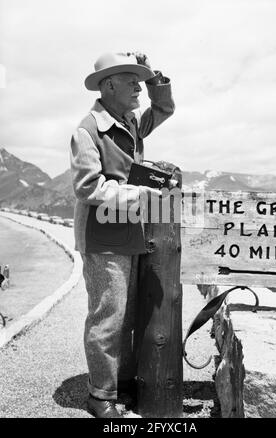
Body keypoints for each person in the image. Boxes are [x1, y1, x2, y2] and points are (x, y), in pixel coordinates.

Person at [70, 52, 175, 418]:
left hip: (128, 233)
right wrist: (142, 196)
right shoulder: (88, 130)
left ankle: (121, 383)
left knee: (127, 315)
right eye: (132, 80)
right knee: (108, 317)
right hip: (101, 238)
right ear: (109, 85)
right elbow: (88, 187)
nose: (138, 88)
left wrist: (156, 78)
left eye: (140, 81)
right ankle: (100, 395)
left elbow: (161, 111)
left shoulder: (128, 120)